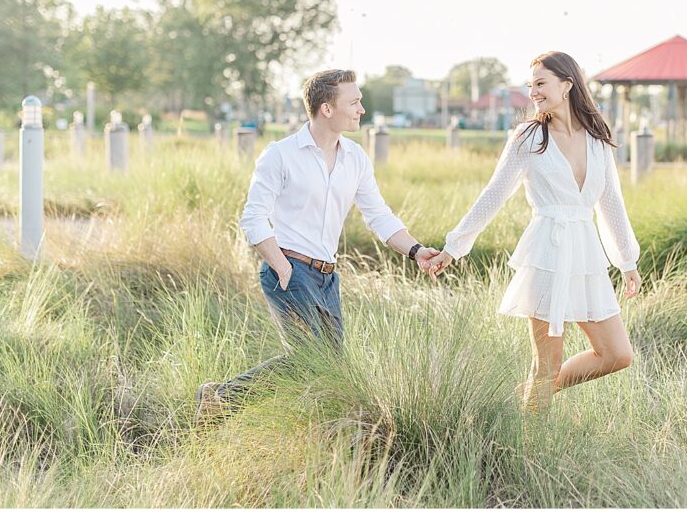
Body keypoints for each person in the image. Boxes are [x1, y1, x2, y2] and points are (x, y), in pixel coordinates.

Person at [196, 69, 440, 422]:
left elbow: (378, 215)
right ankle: (223, 399)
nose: (362, 109)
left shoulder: (355, 158)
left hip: (328, 278)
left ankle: (226, 399)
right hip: (289, 271)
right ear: (327, 108)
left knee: (325, 367)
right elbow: (253, 218)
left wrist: (417, 251)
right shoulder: (280, 155)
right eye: (354, 102)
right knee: (312, 356)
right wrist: (280, 266)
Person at [426, 52, 642, 412]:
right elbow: (493, 195)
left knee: (617, 354)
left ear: (567, 85)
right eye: (531, 86)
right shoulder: (528, 137)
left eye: (541, 83)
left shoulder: (598, 139)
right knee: (547, 365)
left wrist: (627, 261)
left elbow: (611, 204)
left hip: (586, 255)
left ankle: (524, 397)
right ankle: (531, 444)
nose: (533, 93)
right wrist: (454, 246)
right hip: (547, 253)